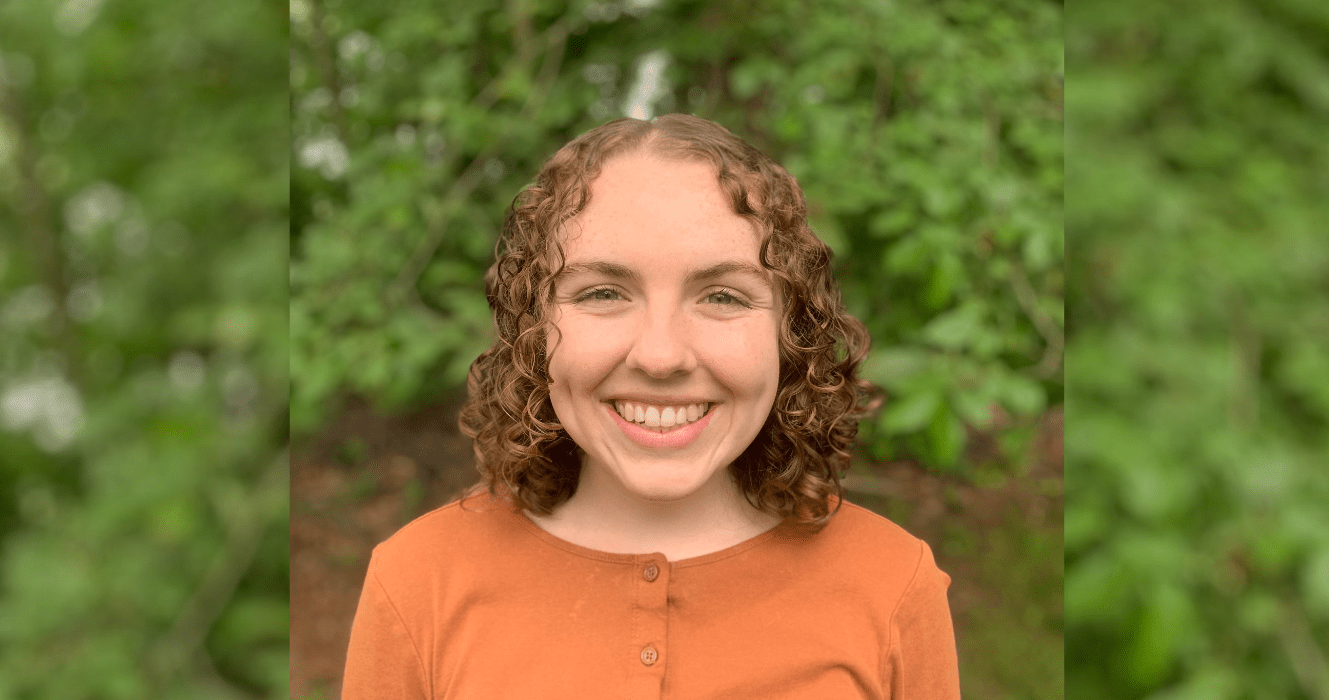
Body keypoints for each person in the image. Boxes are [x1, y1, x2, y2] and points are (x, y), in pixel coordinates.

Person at [341, 114, 960, 699]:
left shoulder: (893, 585)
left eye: (722, 296)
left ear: (790, 334)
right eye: (604, 292)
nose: (661, 356)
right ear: (534, 327)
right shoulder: (417, 581)